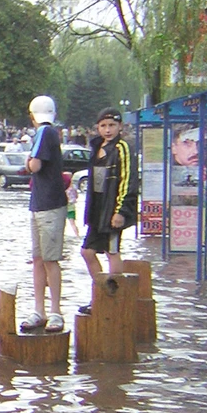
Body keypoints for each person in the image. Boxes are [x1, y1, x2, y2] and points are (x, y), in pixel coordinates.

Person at [78, 108, 138, 315]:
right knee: (87, 251)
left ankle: (116, 300)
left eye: (112, 125)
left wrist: (121, 211)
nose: (108, 130)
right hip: (97, 209)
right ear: (97, 128)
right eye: (103, 126)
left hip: (113, 209)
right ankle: (101, 294)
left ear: (120, 127)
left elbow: (128, 180)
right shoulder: (96, 148)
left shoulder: (122, 148)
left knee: (112, 251)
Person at [19, 96, 67, 334]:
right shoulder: (50, 133)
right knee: (39, 259)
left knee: (49, 259)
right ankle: (40, 310)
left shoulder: (44, 133)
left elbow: (35, 165)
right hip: (41, 203)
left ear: (32, 115)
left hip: (48, 205)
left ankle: (54, 311)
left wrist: (27, 163)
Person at [64, 170, 79, 237]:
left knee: (62, 224)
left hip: (65, 207)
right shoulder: (74, 187)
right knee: (73, 223)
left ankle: (62, 236)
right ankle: (77, 235)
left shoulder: (65, 188)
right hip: (72, 207)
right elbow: (77, 196)